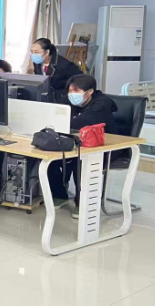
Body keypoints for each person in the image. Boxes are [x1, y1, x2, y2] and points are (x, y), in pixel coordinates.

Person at [47, 74, 117, 218]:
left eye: (76, 90)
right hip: (76, 142)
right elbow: (54, 114)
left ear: (90, 92)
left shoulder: (101, 104)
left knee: (79, 160)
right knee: (47, 156)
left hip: (104, 147)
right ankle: (59, 194)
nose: (72, 94)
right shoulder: (68, 100)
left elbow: (80, 122)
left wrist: (60, 121)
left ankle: (82, 202)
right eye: (70, 90)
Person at [30, 38, 81, 103]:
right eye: (32, 52)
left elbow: (80, 80)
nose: (33, 54)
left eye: (36, 52)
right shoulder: (37, 63)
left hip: (61, 99)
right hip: (45, 98)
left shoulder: (64, 65)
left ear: (47, 52)